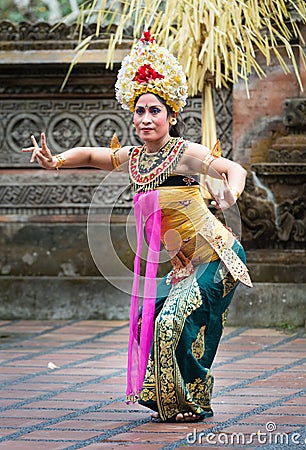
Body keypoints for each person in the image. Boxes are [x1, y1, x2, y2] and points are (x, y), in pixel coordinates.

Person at [22, 30, 252, 423]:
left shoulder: (183, 154)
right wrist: (54, 161)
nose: (146, 118)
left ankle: (195, 397)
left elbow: (234, 168)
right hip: (185, 267)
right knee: (149, 320)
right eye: (140, 111)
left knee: (171, 320)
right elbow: (92, 154)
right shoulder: (132, 158)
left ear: (172, 115)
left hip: (218, 257)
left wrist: (229, 192)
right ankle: (174, 397)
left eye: (155, 111)